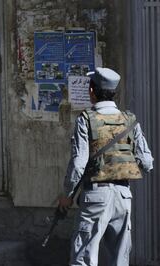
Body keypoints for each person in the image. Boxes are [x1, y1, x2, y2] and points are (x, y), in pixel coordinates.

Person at [58, 67, 153, 265]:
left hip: (95, 196)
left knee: (83, 257)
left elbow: (78, 164)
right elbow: (147, 162)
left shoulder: (85, 120)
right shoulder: (130, 120)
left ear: (92, 91)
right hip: (123, 196)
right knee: (119, 259)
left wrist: (67, 196)